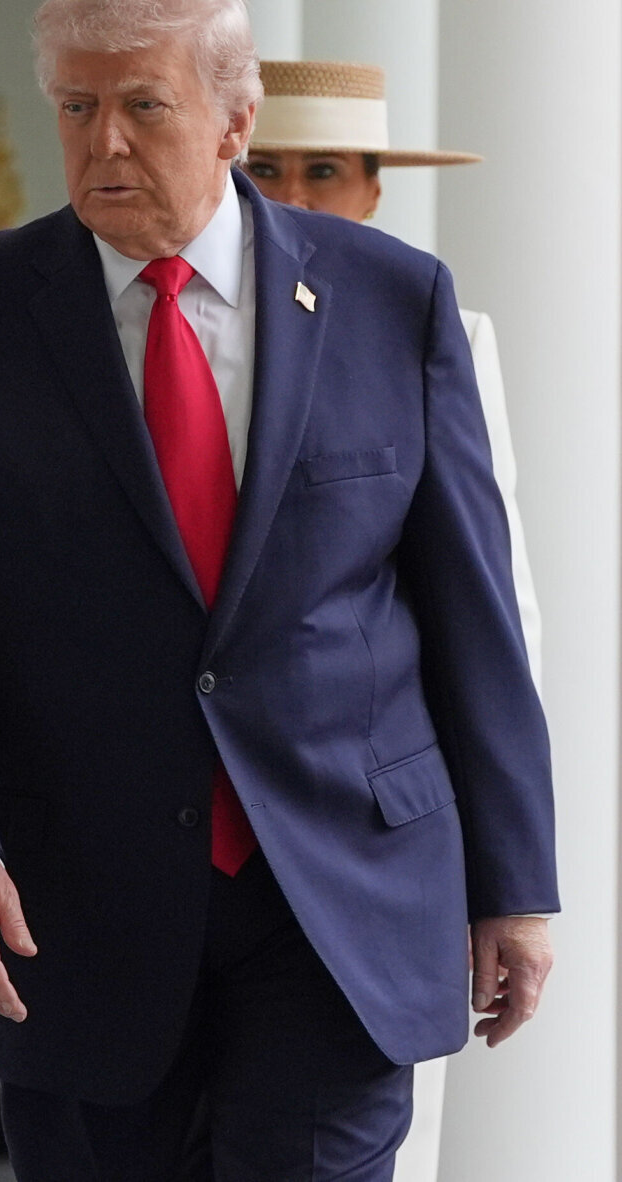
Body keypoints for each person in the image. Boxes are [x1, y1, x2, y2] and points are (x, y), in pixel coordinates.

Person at [0, 0, 556, 1182]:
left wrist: (514, 883)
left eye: (141, 105)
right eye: (73, 106)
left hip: (339, 896)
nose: (101, 140)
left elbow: (467, 612)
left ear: (234, 116)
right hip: (65, 912)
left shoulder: (394, 302)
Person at [246, 57, 546, 1182]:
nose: (293, 195)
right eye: (265, 166)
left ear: (372, 189)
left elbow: (487, 599)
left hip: (381, 822)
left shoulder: (435, 326)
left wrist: (501, 871)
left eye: (324, 170)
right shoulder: (168, 329)